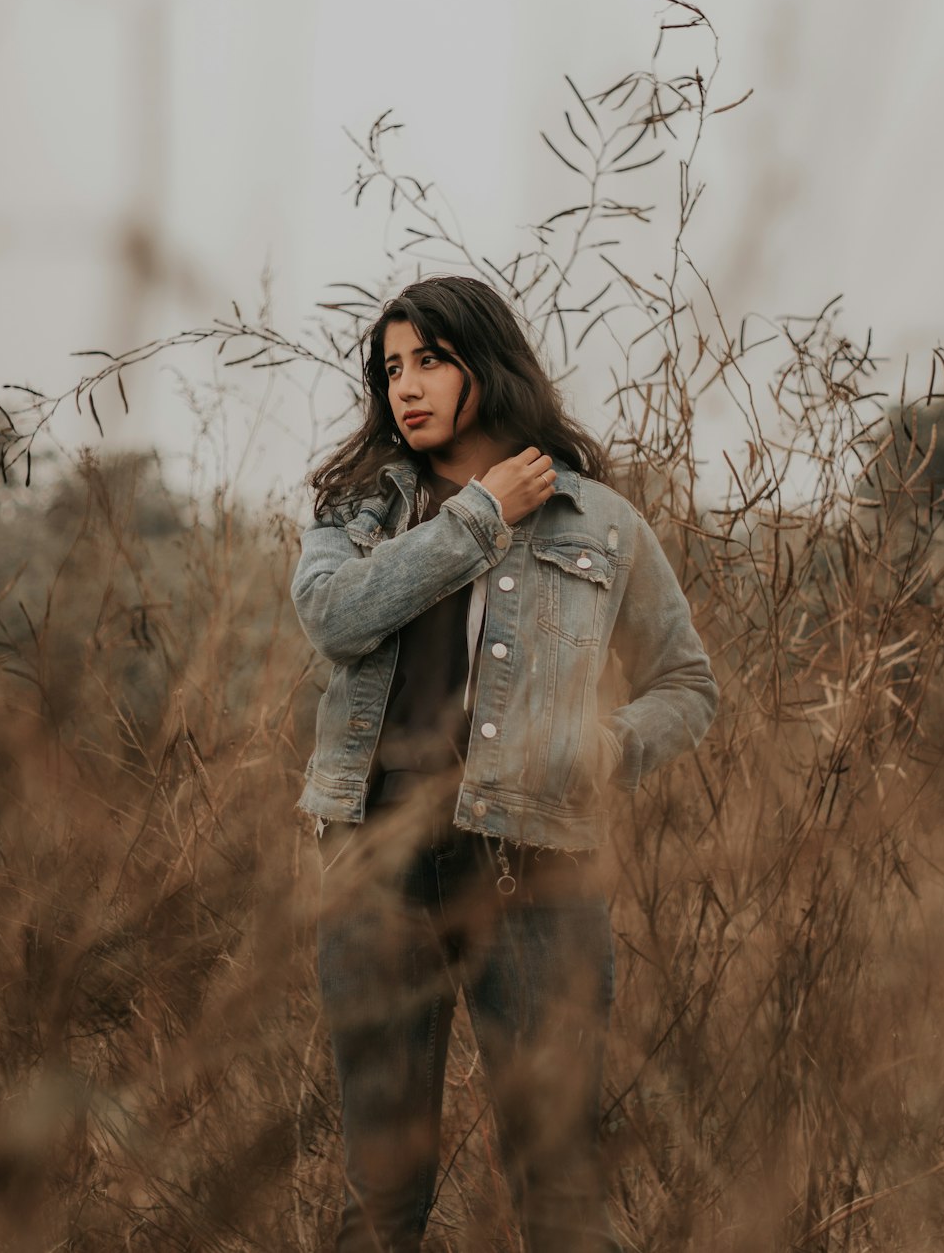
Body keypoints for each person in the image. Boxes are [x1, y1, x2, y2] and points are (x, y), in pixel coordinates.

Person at [291, 275, 718, 1252]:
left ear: (487, 362)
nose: (407, 384)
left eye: (430, 358)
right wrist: (477, 515)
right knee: (381, 1198)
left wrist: (603, 751)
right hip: (372, 863)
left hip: (536, 871)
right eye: (391, 366)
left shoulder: (600, 523)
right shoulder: (356, 511)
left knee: (560, 1192)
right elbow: (335, 617)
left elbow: (685, 684)